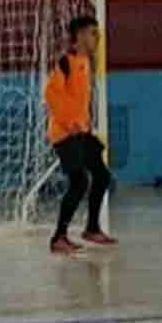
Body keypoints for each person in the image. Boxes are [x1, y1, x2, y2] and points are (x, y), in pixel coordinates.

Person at [44, 15, 116, 254]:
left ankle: (92, 228)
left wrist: (85, 125)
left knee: (102, 176)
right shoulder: (66, 62)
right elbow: (52, 95)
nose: (97, 37)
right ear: (80, 36)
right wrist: (71, 123)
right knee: (80, 181)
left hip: (80, 132)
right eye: (93, 33)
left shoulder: (87, 62)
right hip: (65, 134)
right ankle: (59, 237)